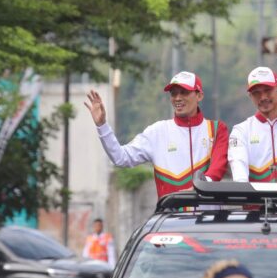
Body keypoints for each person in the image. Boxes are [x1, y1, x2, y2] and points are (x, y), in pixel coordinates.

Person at [85, 71, 229, 198]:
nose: (177, 98)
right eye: (173, 93)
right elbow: (120, 158)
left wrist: (199, 188)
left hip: (207, 220)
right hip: (170, 220)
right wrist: (102, 126)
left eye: (184, 92)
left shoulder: (217, 129)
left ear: (199, 96)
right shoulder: (157, 131)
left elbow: (217, 169)